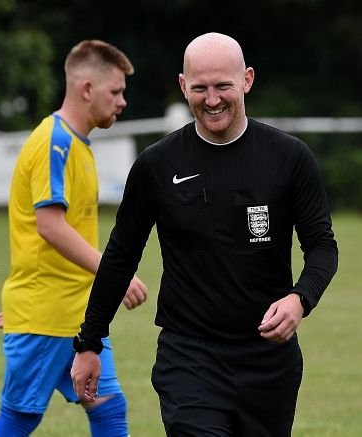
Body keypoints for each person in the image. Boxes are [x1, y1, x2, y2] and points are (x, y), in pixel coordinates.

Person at [71, 32, 338, 436]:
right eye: (199, 88)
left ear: (247, 80)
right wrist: (89, 342)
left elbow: (322, 247)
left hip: (269, 363)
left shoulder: (289, 158)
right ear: (183, 86)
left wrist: (300, 299)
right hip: (188, 358)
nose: (211, 100)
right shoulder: (156, 166)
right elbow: (121, 256)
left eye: (222, 86)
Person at [0, 39, 148, 437]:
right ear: (87, 89)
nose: (122, 101)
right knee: (19, 417)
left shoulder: (78, 144)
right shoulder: (53, 142)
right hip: (48, 314)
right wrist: (115, 273)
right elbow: (50, 226)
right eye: (116, 91)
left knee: (110, 410)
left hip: (74, 314)